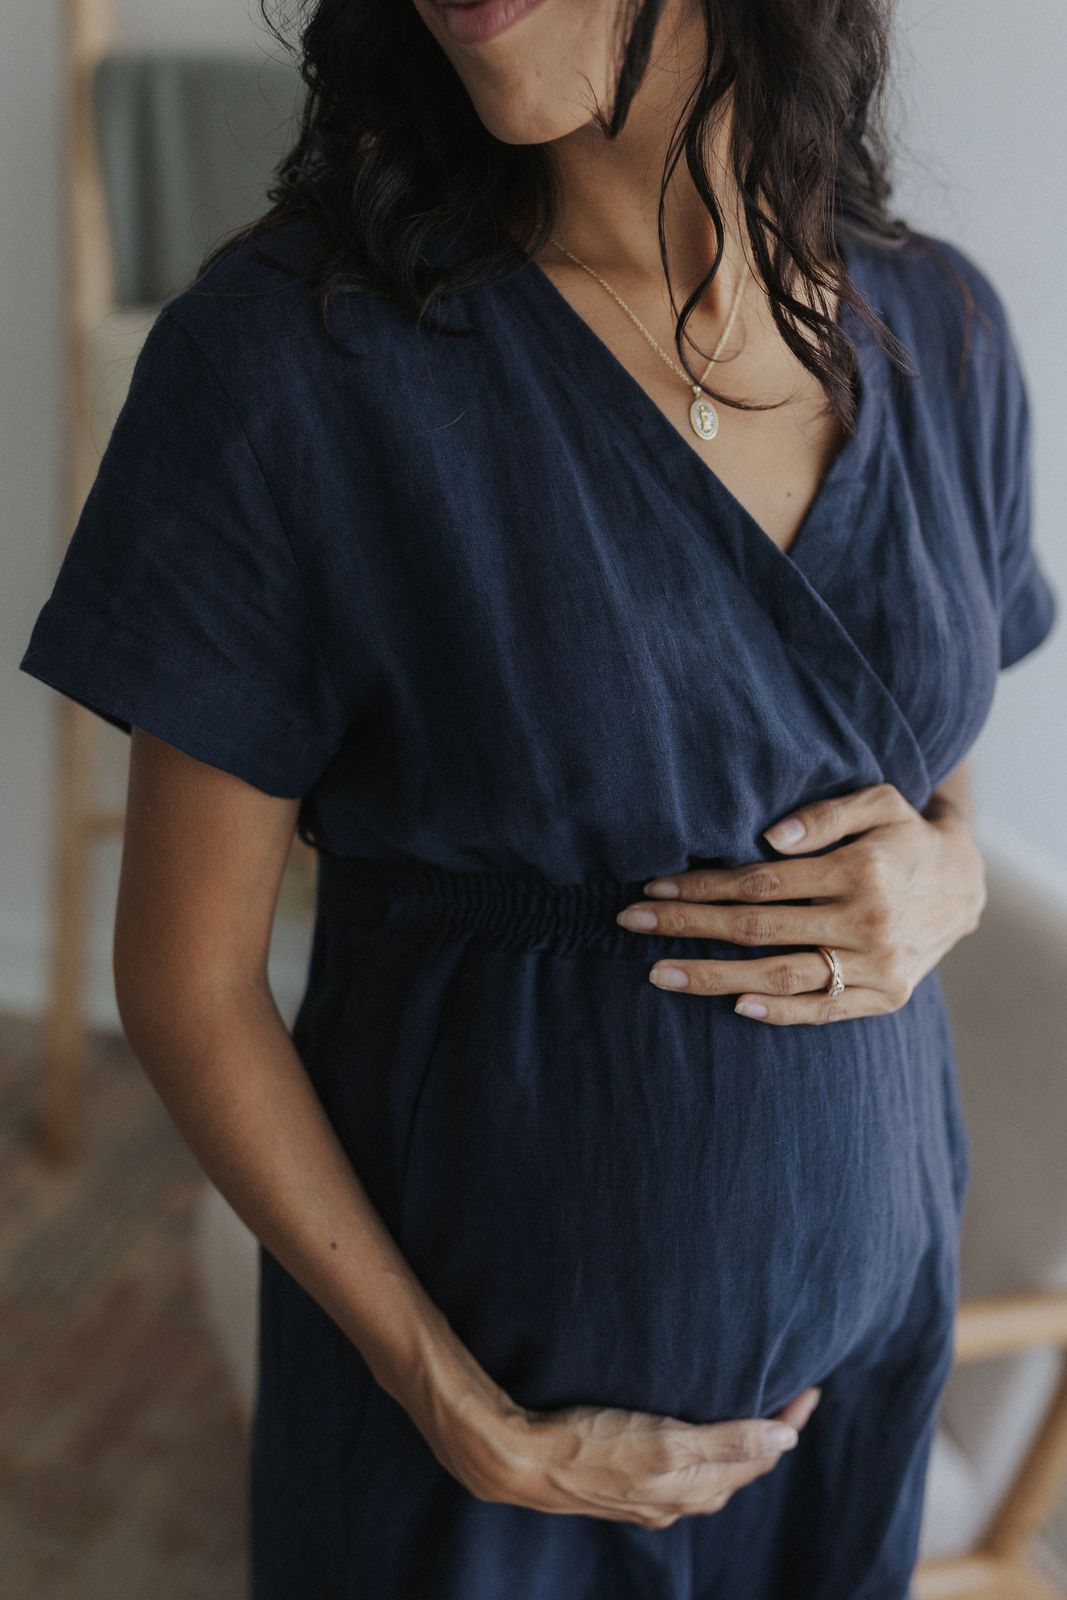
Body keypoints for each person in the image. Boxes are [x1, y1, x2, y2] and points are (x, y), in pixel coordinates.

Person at [19, 0, 1059, 1595]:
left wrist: (954, 868)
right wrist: (459, 1408)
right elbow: (185, 978)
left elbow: (931, 747)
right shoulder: (294, 359)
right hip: (483, 1436)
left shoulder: (947, 332)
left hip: (849, 1392)